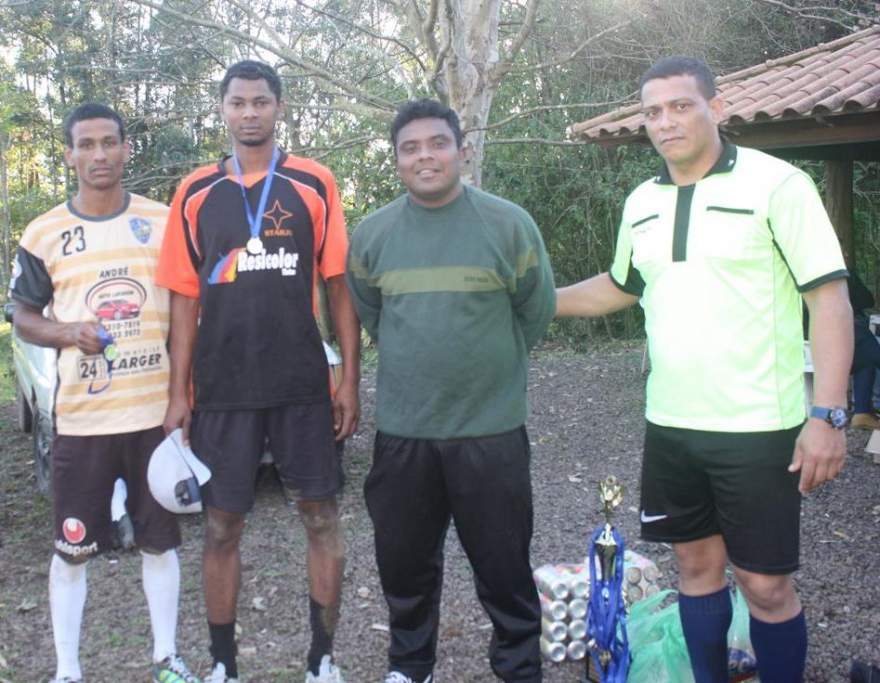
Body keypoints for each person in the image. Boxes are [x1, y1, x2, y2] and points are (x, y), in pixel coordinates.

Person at [556, 57, 853, 683]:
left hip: (759, 427)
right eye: (653, 111)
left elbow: (828, 299)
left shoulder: (778, 185)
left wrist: (828, 414)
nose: (666, 121)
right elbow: (619, 286)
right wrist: (536, 301)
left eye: (681, 105)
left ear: (716, 109)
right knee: (695, 568)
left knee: (766, 585)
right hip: (671, 425)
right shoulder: (641, 203)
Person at [156, 60, 359, 683]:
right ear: (221, 108)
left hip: (302, 383)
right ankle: (223, 666)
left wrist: (349, 377)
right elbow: (184, 301)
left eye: (261, 102)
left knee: (321, 517)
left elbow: (337, 284)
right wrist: (178, 394)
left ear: (279, 108)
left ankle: (322, 661)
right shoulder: (193, 193)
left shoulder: (314, 183)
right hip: (222, 390)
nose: (250, 112)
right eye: (239, 102)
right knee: (220, 527)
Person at [346, 98, 556, 683]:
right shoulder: (372, 235)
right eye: (410, 148)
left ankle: (518, 666)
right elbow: (372, 315)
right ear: (396, 161)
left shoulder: (508, 224)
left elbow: (534, 311)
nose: (425, 157)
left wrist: (488, 366)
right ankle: (411, 667)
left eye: (437, 143)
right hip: (405, 433)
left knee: (503, 564)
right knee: (404, 565)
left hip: (490, 430)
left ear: (461, 150)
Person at [9, 103, 198, 683]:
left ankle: (166, 659)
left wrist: (181, 394)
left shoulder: (164, 222)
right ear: (68, 154)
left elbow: (188, 308)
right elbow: (22, 316)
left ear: (125, 150)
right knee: (71, 552)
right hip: (83, 424)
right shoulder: (43, 233)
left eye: (108, 143)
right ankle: (69, 671)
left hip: (152, 419)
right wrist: (69, 332)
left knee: (160, 544)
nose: (98, 154)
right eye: (85, 144)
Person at [846, 272, 880, 429]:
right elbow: (867, 299)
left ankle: (861, 413)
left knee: (865, 362)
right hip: (841, 328)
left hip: (810, 340)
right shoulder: (840, 272)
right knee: (873, 352)